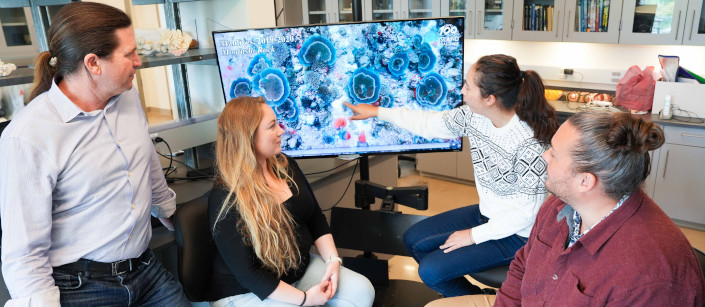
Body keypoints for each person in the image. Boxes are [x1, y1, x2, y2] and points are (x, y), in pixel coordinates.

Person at [0, 2, 189, 306]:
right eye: (129, 54)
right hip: (79, 286)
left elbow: (147, 160)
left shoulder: (127, 97)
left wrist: (169, 213)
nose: (138, 61)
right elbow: (24, 253)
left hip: (145, 270)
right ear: (93, 63)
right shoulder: (28, 137)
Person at [426, 112, 705, 306]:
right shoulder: (560, 206)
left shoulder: (649, 278)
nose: (544, 155)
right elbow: (523, 265)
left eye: (554, 153)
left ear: (585, 181)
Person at [345, 54, 558, 297]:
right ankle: (474, 298)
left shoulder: (528, 145)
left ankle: (483, 303)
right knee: (414, 239)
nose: (462, 90)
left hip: (518, 234)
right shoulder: (474, 117)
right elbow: (429, 123)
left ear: (489, 98)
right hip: (487, 214)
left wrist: (472, 236)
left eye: (468, 86)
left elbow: (525, 214)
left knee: (431, 272)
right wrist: (377, 112)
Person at [207, 96, 375, 306]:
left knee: (362, 290)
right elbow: (248, 274)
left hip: (297, 272)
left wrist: (333, 261)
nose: (281, 130)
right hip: (247, 290)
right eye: (272, 126)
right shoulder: (225, 196)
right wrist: (305, 299)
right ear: (247, 137)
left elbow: (315, 219)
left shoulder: (285, 166)